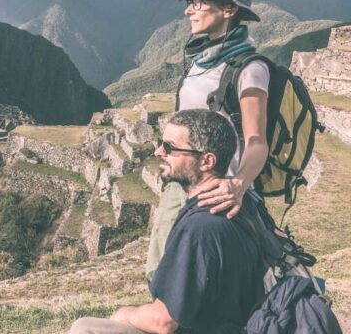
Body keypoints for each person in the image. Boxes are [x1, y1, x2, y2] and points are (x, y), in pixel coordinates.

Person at [68, 109, 264, 334]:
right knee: (84, 324)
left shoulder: (199, 228)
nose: (158, 151)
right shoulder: (242, 203)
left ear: (206, 161)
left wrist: (124, 312)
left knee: (85, 330)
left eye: (170, 147)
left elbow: (164, 322)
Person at [146, 0, 270, 279]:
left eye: (199, 4)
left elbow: (257, 140)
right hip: (183, 179)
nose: (189, 10)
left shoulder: (249, 69)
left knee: (188, 271)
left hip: (216, 188)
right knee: (163, 262)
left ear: (228, 10)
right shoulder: (203, 60)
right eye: (191, 3)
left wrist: (239, 183)